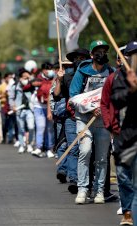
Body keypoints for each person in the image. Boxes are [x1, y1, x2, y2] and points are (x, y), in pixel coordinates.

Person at [69, 40, 114, 204]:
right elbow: (73, 96)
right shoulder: (82, 72)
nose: (101, 53)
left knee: (102, 158)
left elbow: (115, 95)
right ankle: (82, 189)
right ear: (91, 54)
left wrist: (105, 109)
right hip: (84, 120)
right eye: (98, 50)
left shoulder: (111, 72)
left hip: (103, 121)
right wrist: (89, 108)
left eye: (104, 50)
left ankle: (99, 191)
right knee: (85, 151)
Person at [52, 48, 90, 193]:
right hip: (72, 118)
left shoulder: (92, 76)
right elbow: (56, 95)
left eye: (81, 57)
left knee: (86, 150)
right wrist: (59, 80)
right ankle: (74, 179)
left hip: (90, 117)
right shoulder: (68, 77)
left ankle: (88, 179)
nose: (78, 60)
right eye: (76, 58)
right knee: (73, 148)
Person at [110, 41, 137, 225]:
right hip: (127, 136)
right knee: (126, 179)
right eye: (132, 54)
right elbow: (115, 101)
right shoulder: (120, 77)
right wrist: (131, 89)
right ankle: (127, 213)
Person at [30, 63, 55, 158]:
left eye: (50, 69)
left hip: (50, 107)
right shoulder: (38, 78)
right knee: (41, 127)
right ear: (43, 70)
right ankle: (39, 147)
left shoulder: (56, 78)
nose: (49, 71)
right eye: (47, 69)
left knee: (49, 129)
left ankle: (49, 148)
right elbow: (30, 84)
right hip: (39, 106)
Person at [9, 68, 35, 154]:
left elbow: (35, 81)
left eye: (27, 77)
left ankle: (30, 144)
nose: (25, 79)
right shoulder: (15, 86)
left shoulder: (32, 85)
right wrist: (12, 106)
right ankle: (22, 145)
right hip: (19, 110)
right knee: (21, 129)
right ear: (20, 78)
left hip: (30, 110)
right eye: (24, 77)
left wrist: (30, 77)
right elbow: (11, 97)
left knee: (31, 127)